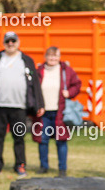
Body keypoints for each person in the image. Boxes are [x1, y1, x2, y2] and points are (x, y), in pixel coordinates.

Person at [0, 32, 44, 176]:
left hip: (19, 106)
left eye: (13, 41)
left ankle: (20, 165)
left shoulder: (26, 60)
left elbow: (35, 84)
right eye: (8, 41)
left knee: (19, 138)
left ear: (18, 42)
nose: (10, 44)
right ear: (4, 43)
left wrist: (39, 103)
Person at [34, 46, 81, 176]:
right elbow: (33, 89)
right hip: (43, 112)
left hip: (60, 112)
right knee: (42, 140)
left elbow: (77, 84)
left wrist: (69, 93)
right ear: (45, 57)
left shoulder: (66, 71)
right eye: (50, 56)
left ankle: (62, 169)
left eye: (55, 56)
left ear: (59, 57)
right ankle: (44, 166)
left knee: (61, 140)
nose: (52, 58)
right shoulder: (39, 71)